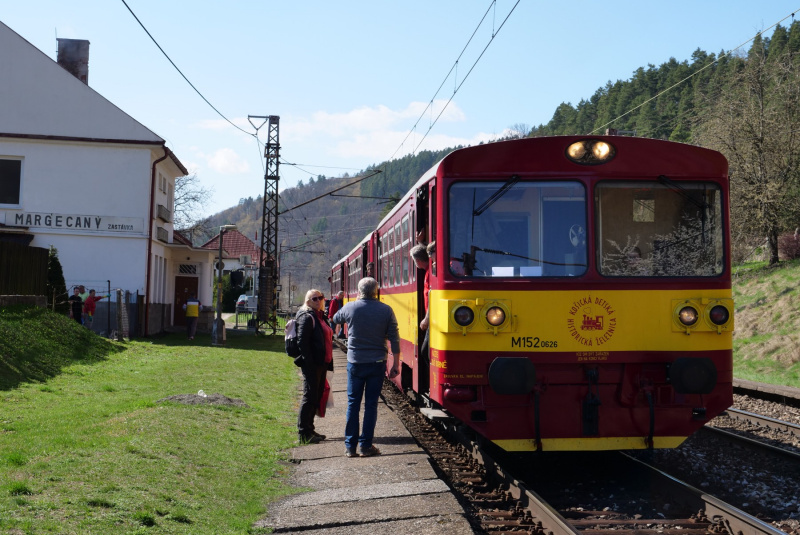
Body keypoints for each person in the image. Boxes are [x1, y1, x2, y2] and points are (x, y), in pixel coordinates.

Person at [332, 277, 401, 458]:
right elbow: (394, 337)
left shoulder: (350, 307)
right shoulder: (386, 310)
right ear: (376, 291)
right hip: (377, 363)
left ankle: (350, 447)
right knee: (371, 405)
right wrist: (395, 363)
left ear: (359, 291)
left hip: (355, 363)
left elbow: (335, 317)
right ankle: (365, 446)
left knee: (353, 404)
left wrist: (353, 306)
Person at [296, 289, 333, 444]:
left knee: (315, 396)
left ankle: (310, 429)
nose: (318, 301)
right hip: (313, 364)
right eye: (314, 298)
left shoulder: (320, 316)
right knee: (309, 396)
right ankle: (304, 432)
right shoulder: (307, 317)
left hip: (322, 363)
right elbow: (302, 342)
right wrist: (310, 363)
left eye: (320, 298)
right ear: (308, 301)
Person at [410, 244, 431, 393]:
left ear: (417, 261)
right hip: (432, 320)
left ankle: (432, 383)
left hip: (432, 321)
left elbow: (433, 297)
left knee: (424, 351)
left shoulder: (430, 273)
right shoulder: (429, 271)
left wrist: (426, 319)